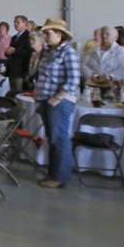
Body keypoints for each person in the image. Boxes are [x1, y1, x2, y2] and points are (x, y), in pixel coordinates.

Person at [33, 18, 80, 189]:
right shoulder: (48, 51)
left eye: (49, 33)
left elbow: (73, 79)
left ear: (60, 34)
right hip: (46, 99)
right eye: (45, 33)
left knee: (59, 138)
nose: (46, 36)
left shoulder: (68, 52)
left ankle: (60, 176)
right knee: (52, 137)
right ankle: (53, 173)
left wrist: (58, 97)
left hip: (59, 101)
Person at [80, 26, 124, 90]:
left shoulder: (121, 51)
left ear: (115, 37)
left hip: (115, 88)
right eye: (102, 34)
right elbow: (83, 65)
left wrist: (108, 77)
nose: (104, 36)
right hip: (94, 86)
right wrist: (93, 75)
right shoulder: (93, 49)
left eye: (107, 34)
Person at [3, 15, 33, 94]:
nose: (15, 24)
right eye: (14, 22)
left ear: (25, 23)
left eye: (18, 22)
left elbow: (29, 52)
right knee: (12, 93)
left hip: (21, 71)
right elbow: (11, 52)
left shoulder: (29, 36)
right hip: (12, 70)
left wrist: (15, 51)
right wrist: (7, 52)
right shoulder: (14, 37)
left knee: (18, 93)